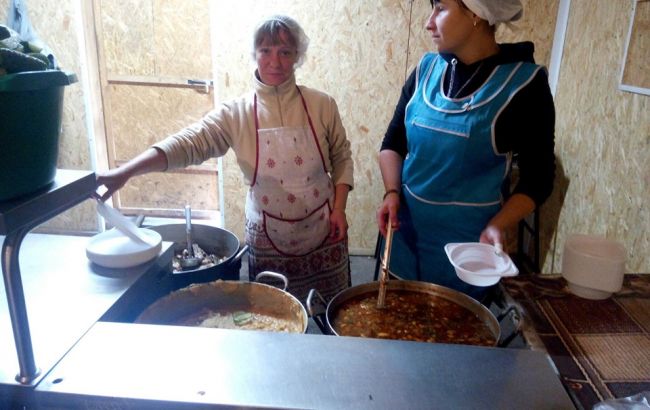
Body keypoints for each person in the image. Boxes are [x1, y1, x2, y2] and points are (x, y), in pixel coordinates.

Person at [96, 15, 354, 302]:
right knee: (274, 318)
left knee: (330, 311)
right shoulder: (236, 113)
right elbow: (187, 143)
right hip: (269, 237)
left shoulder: (322, 104)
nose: (275, 62)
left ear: (297, 57)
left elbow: (342, 156)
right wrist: (127, 172)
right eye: (265, 51)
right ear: (254, 54)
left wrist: (339, 209)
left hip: (324, 229)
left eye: (285, 52)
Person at [376, 0, 555, 301]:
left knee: (455, 343)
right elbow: (393, 143)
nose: (428, 22)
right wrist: (392, 192)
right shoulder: (425, 71)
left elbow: (538, 178)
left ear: (476, 13)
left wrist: (501, 223)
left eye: (441, 8)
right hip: (404, 242)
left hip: (467, 256)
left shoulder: (524, 85)